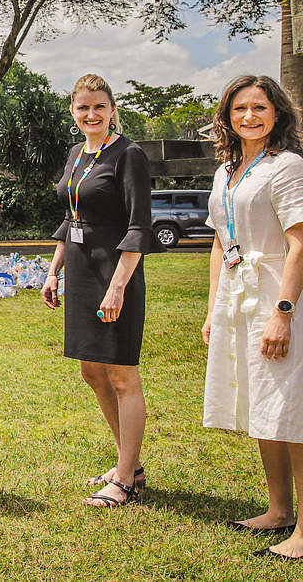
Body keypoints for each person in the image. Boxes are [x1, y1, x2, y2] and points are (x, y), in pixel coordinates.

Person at [201, 75, 303, 561]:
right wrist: (212, 309)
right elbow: (221, 242)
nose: (249, 117)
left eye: (259, 108)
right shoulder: (227, 172)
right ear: (227, 116)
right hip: (237, 299)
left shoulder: (286, 167)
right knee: (263, 407)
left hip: (276, 296)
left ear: (277, 114)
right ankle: (278, 511)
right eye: (240, 108)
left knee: (292, 411)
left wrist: (284, 312)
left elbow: (300, 242)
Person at [41, 73, 155, 508]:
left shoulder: (130, 154)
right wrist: (54, 272)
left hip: (115, 272)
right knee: (91, 371)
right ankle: (132, 463)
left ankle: (125, 478)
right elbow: (72, 218)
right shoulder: (76, 153)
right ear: (73, 112)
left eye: (100, 107)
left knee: (122, 374)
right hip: (81, 271)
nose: (92, 114)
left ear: (112, 109)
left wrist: (118, 287)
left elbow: (138, 226)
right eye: (83, 107)